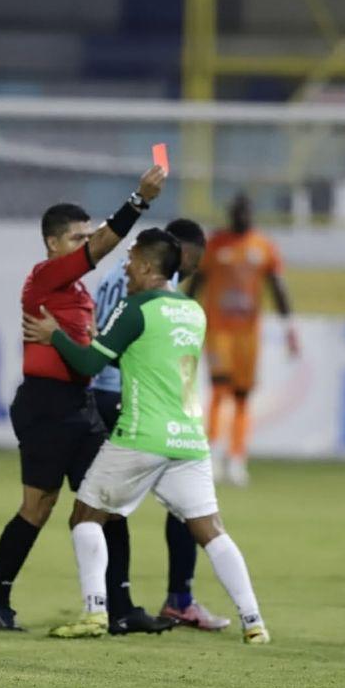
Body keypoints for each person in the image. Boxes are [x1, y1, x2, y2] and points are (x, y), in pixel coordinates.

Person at [23, 228, 269, 644]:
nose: (126, 267)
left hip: (141, 435)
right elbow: (153, 357)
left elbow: (89, 362)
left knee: (85, 515)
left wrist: (55, 335)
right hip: (188, 439)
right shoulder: (194, 310)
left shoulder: (134, 308)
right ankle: (254, 621)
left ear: (150, 267)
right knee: (211, 530)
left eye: (132, 260)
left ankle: (95, 612)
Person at [0, 166, 168, 633]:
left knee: (107, 502)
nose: (87, 243)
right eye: (77, 237)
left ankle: (122, 609)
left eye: (87, 235)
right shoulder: (45, 277)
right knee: (38, 507)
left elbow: (87, 345)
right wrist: (139, 200)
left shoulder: (75, 290)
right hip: (45, 406)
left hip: (80, 405)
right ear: (52, 244)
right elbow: (101, 247)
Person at [90, 218, 229, 631]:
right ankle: (167, 600)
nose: (188, 273)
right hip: (135, 400)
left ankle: (116, 603)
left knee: (109, 507)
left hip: (116, 396)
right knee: (183, 506)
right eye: (190, 264)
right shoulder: (147, 289)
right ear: (175, 253)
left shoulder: (123, 276)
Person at [189, 193, 297, 486]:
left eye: (245, 213)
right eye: (237, 213)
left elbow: (277, 287)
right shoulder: (215, 245)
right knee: (219, 388)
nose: (241, 218)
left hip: (248, 334)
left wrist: (289, 327)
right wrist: (183, 312)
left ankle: (236, 457)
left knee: (242, 396)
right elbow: (196, 283)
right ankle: (211, 454)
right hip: (218, 330)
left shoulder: (263, 246)